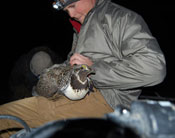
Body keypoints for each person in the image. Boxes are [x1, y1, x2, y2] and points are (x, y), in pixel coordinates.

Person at [0, 0, 166, 137]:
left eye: (72, 6)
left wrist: (93, 69)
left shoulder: (118, 17)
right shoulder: (83, 26)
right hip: (76, 95)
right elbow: (75, 64)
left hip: (106, 99)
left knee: (4, 116)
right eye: (66, 10)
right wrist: (54, 76)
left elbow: (154, 68)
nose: (71, 14)